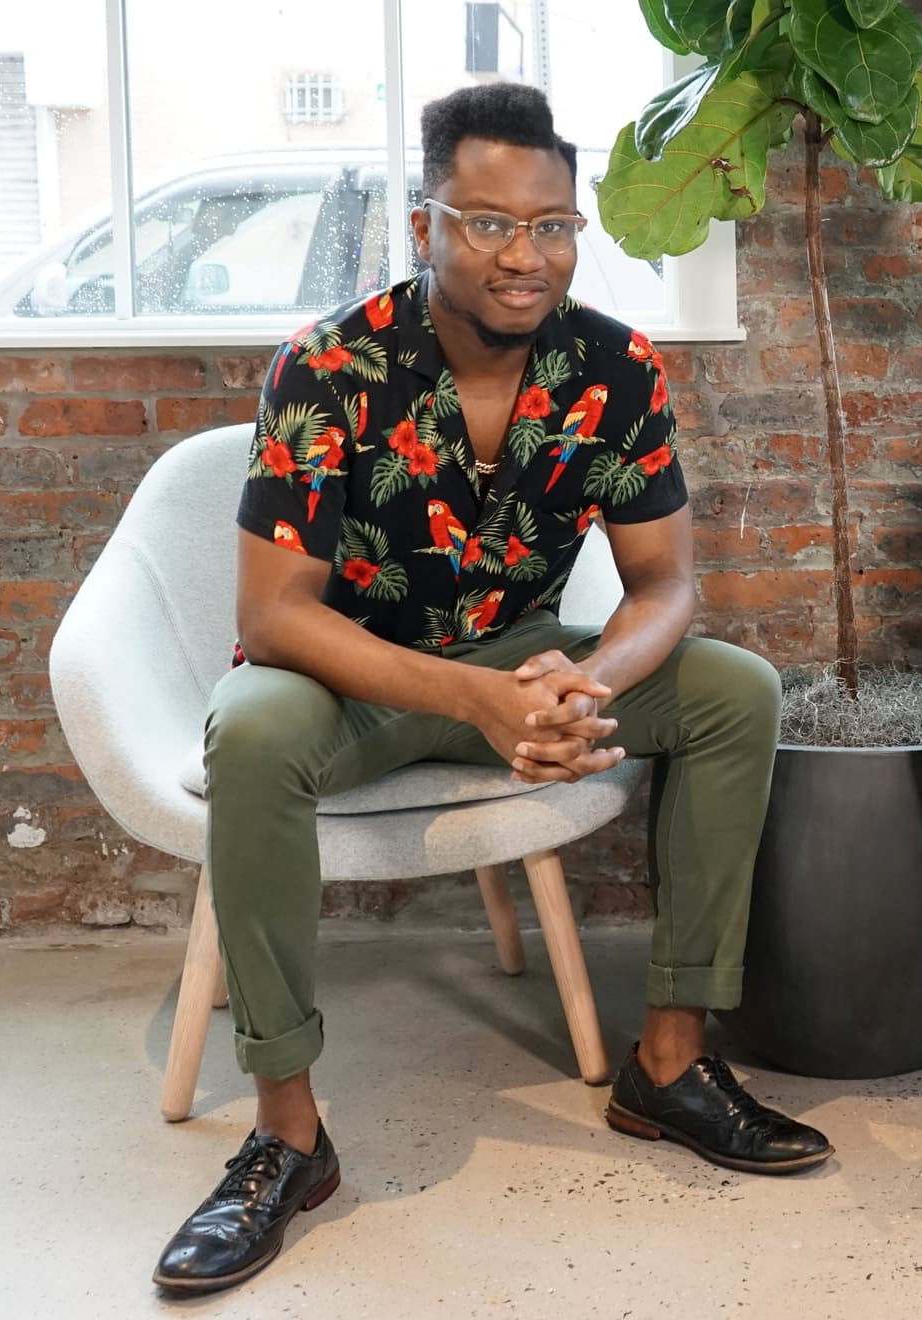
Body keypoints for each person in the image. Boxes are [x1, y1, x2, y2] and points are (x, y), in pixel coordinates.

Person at [152, 84, 830, 1297]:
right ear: (425, 228)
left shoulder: (612, 365)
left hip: (519, 654)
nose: (525, 256)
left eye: (553, 226)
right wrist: (479, 707)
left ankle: (668, 1065)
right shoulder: (327, 366)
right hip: (352, 670)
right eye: (488, 224)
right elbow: (273, 617)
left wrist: (583, 680)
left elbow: (667, 587)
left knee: (735, 691)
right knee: (248, 736)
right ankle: (286, 1137)